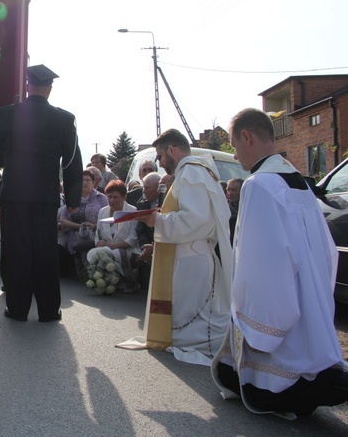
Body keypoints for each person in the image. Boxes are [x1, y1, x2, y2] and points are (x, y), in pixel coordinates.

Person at [211, 108, 348, 417]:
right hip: (308, 292)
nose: (236, 156)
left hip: (283, 299)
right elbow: (326, 250)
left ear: (246, 137)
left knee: (273, 375)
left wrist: (252, 315)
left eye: (234, 146)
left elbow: (262, 261)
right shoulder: (297, 180)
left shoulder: (258, 184)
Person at [0, 64, 83, 322]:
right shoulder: (64, 118)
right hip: (45, 195)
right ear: (50, 88)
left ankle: (17, 308)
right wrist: (72, 200)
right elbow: (72, 161)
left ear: (27, 86)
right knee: (45, 251)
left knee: (16, 250)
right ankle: (49, 310)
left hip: (15, 193)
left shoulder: (8, 113)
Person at [126, 129, 232, 366]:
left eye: (161, 157)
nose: (161, 164)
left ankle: (234, 347)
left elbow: (196, 220)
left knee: (204, 318)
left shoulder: (192, 173)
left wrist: (158, 221)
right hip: (188, 256)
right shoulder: (192, 172)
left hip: (193, 256)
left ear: (172, 149)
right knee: (193, 314)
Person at [89, 179, 141, 292]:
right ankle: (108, 281)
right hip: (107, 248)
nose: (112, 200)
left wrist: (111, 246)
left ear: (124, 197)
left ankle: (131, 282)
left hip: (129, 251)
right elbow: (98, 233)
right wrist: (98, 243)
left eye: (116, 197)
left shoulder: (133, 212)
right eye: (109, 197)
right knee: (94, 254)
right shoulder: (103, 211)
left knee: (116, 253)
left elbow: (132, 239)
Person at [58, 170, 108, 276]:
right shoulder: (72, 199)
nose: (85, 182)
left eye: (88, 180)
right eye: (82, 180)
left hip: (96, 234)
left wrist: (94, 226)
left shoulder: (102, 198)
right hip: (76, 237)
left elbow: (108, 217)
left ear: (93, 183)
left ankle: (96, 273)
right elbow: (63, 220)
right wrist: (79, 226)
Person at [225, 177, 243, 245]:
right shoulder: (224, 208)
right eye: (228, 190)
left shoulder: (247, 208)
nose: (230, 193)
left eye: (233, 190)